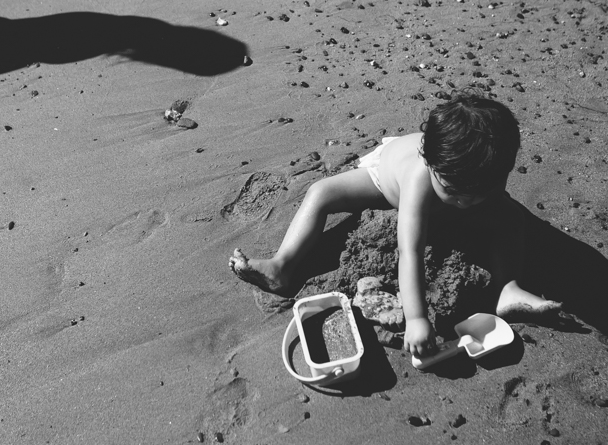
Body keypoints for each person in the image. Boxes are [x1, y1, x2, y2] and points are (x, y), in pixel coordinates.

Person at [229, 95, 561, 358]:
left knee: (512, 219)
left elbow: (477, 196)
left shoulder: (481, 175)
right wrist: (417, 319)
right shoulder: (419, 177)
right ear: (431, 165)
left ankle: (508, 288)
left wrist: (480, 197)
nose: (466, 201)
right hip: (386, 183)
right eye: (453, 191)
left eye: (480, 192)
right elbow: (410, 251)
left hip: (454, 177)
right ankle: (282, 265)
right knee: (320, 193)